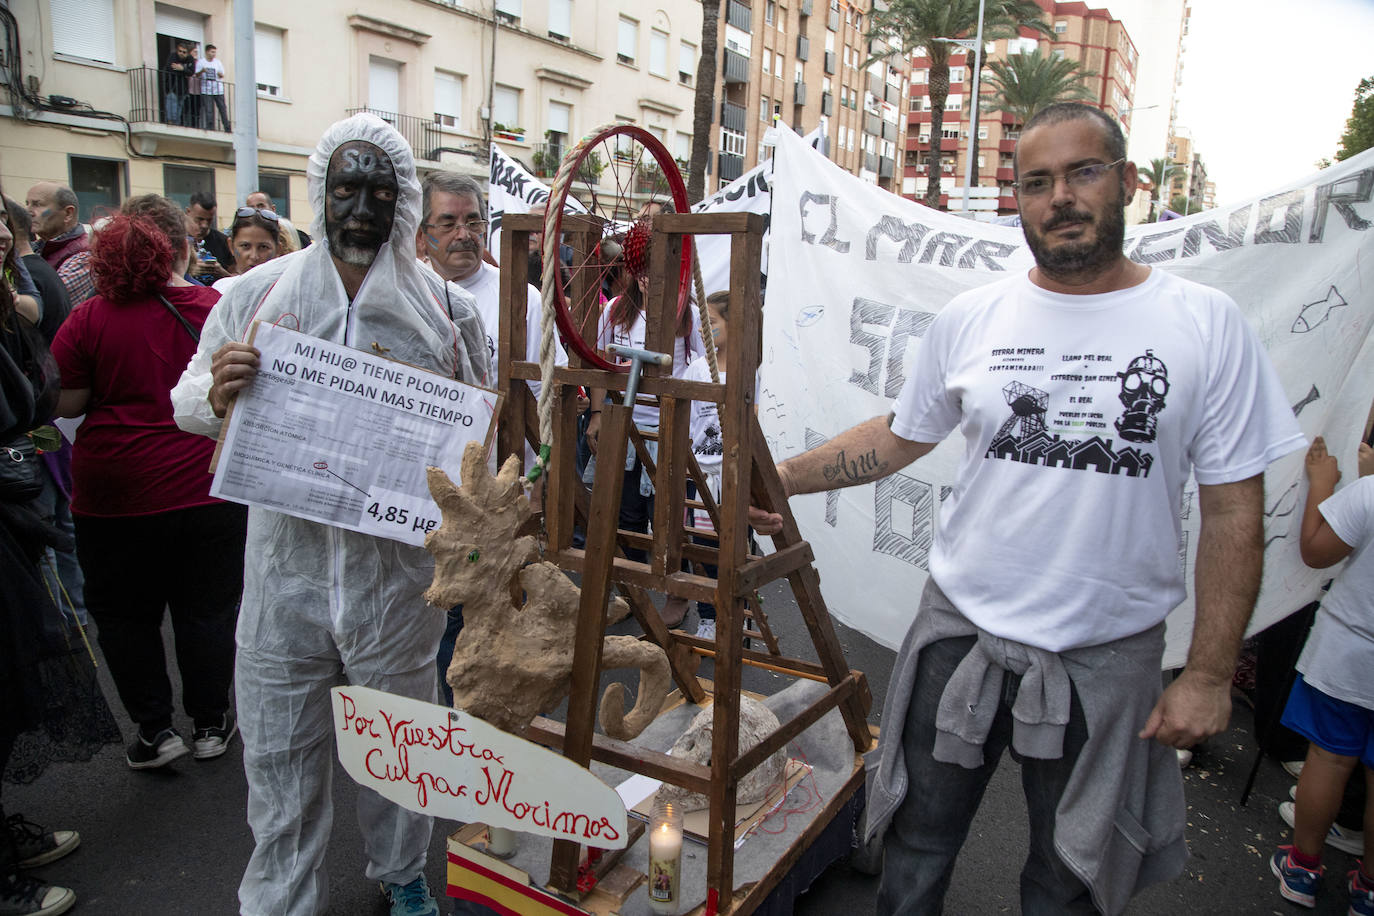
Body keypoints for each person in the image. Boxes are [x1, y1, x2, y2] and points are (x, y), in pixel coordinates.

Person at [750, 102, 1306, 914]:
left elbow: (1232, 511)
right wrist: (782, 478)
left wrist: (1211, 674)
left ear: (1128, 181)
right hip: (960, 638)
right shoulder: (974, 318)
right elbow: (901, 437)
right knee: (916, 844)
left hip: (1104, 660)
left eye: (1083, 172)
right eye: (1037, 182)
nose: (1061, 198)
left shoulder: (1205, 324)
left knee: (1068, 878)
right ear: (1018, 200)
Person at [171, 112, 488, 916]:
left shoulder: (449, 313)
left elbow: (481, 433)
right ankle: (280, 898)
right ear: (320, 191)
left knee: (401, 742)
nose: (360, 208)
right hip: (286, 576)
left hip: (397, 583)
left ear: (403, 200)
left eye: (380, 192)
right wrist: (219, 393)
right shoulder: (257, 293)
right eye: (346, 189)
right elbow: (185, 399)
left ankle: (402, 871)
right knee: (280, 751)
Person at [50, 194, 248, 776]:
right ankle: (210, 723)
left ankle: (154, 730)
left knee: (125, 617)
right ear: (173, 250)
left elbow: (67, 402)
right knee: (207, 610)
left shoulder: (88, 319)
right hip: (204, 484)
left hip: (114, 495)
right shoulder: (213, 308)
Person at [1, 185, 119, 916]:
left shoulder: (20, 297)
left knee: (14, 674)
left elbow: (41, 404)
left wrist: (27, 453)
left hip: (14, 516)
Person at [414, 171, 561, 704]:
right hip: (418, 489)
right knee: (421, 611)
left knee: (477, 616)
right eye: (448, 222)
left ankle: (469, 725)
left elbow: (549, 395)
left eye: (474, 222)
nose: (463, 234)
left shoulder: (520, 297)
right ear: (422, 233)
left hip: (495, 494)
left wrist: (539, 476)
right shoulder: (405, 293)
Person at [1269, 435, 1374, 914]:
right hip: (1350, 653)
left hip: (1347, 652)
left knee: (1328, 761)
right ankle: (1368, 888)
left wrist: (1322, 485)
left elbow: (1315, 551)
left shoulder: (1368, 493)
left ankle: (1303, 867)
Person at [585, 214, 700, 621]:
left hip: (671, 431)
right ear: (634, 268)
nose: (653, 277)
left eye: (663, 266)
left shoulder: (689, 317)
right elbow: (599, 366)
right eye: (645, 267)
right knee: (627, 512)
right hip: (627, 427)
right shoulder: (617, 310)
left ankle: (676, 593)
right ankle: (631, 590)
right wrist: (597, 414)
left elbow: (705, 369)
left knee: (668, 516)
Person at [3, 196, 85, 635]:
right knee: (58, 525)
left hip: (35, 430)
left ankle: (64, 625)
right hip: (44, 428)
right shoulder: (39, 274)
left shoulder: (31, 279)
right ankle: (74, 619)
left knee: (46, 527)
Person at [24, 183, 93, 307]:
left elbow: (39, 306)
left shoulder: (84, 257)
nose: (28, 212)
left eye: (37, 204)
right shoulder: (37, 247)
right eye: (27, 204)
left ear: (68, 213)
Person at [212, 207, 290, 297]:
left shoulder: (287, 294)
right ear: (231, 247)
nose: (254, 256)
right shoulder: (220, 289)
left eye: (263, 247)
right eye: (245, 246)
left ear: (278, 250)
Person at [184, 192, 233, 282]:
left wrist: (221, 272)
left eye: (209, 220)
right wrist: (190, 271)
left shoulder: (223, 241)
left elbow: (236, 278)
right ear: (188, 212)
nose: (205, 225)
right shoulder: (176, 240)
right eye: (200, 219)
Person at [245, 189, 311, 248]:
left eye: (261, 206)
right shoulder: (244, 239)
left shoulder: (297, 236)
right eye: (251, 208)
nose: (256, 211)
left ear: (273, 209)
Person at [195, 45, 229, 131]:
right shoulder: (201, 62)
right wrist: (202, 71)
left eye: (215, 52)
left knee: (222, 109)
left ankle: (227, 127)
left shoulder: (218, 62)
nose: (214, 54)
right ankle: (210, 127)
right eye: (212, 52)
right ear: (207, 52)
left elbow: (222, 74)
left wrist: (220, 74)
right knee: (209, 110)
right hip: (206, 90)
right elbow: (196, 75)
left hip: (218, 90)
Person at [162, 42, 193, 126]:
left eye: (184, 52)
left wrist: (182, 69)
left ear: (187, 53)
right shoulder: (173, 56)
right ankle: (171, 123)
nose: (181, 53)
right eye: (180, 51)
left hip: (183, 89)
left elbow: (191, 72)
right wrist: (184, 71)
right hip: (171, 87)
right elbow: (170, 67)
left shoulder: (190, 59)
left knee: (179, 109)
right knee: (172, 107)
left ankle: (176, 124)